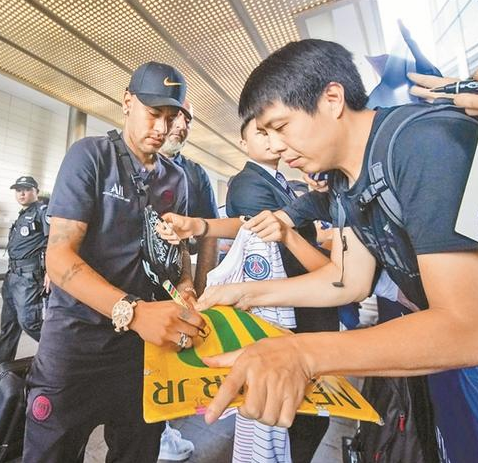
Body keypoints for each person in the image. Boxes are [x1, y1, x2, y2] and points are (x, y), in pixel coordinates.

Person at [158, 41, 478, 431]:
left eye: (281, 126)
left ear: (332, 99)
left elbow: (469, 329)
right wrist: (245, 292)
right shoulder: (342, 180)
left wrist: (302, 354)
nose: (277, 147)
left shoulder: (424, 144)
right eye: (266, 134)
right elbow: (347, 280)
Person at [23, 61, 206, 463]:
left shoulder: (176, 179)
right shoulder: (90, 156)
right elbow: (59, 258)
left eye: (171, 117)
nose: (162, 128)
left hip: (142, 352)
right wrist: (133, 312)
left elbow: (177, 250)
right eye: (153, 113)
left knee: (138, 451)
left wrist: (186, 286)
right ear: (127, 102)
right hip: (77, 342)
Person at [226, 116, 337, 462]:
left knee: (306, 417)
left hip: (309, 305)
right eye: (261, 133)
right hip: (293, 312)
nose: (272, 140)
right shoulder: (247, 185)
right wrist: (329, 264)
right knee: (297, 420)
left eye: (276, 132)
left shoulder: (283, 183)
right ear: (243, 144)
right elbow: (278, 257)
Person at [157, 100, 218, 461]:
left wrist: (200, 286)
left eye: (188, 119)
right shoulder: (123, 163)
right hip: (125, 283)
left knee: (168, 356)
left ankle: (162, 430)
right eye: (173, 115)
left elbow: (208, 234)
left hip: (172, 281)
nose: (181, 125)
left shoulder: (195, 175)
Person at [0, 176, 50, 391]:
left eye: (26, 189)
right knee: (8, 328)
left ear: (36, 191)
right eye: (18, 190)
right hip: (13, 276)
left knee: (30, 323)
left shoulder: (42, 211)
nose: (22, 193)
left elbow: (54, 240)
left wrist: (51, 271)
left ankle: (65, 355)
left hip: (28, 277)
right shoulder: (23, 214)